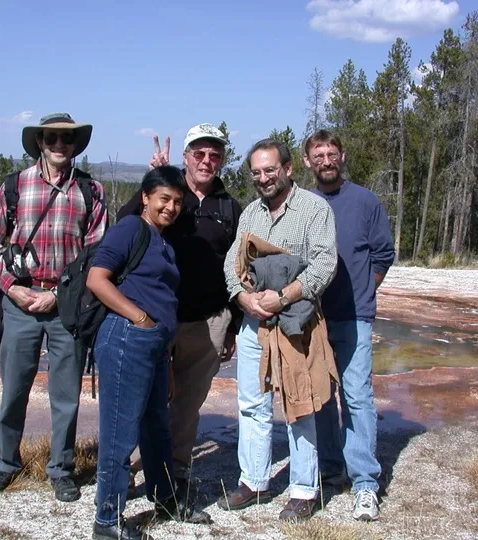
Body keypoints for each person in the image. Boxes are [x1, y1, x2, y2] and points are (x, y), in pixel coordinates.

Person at [0, 113, 107, 501]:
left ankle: (61, 468)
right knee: (14, 389)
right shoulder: (15, 186)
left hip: (66, 307)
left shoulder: (91, 191)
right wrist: (12, 290)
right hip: (20, 301)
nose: (59, 145)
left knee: (66, 393)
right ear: (40, 142)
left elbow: (96, 257)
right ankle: (6, 463)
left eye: (66, 140)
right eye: (51, 138)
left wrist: (59, 296)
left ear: (74, 145)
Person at [219, 139, 339, 522]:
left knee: (298, 404)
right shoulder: (251, 214)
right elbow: (231, 262)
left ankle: (304, 490)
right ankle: (254, 482)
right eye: (256, 172)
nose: (263, 178)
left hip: (295, 323)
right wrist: (242, 298)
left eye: (270, 170)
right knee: (252, 405)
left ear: (288, 168)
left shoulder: (313, 209)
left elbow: (325, 264)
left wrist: (283, 297)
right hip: (255, 323)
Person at [118, 124, 242, 492]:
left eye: (214, 155)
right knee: (143, 395)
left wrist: (232, 326)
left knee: (187, 404)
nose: (207, 161)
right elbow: (128, 223)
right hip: (157, 317)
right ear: (186, 157)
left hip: (210, 320)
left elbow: (239, 269)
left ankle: (175, 471)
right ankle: (124, 465)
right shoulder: (170, 194)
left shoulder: (230, 206)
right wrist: (152, 176)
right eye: (199, 153)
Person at [87, 166, 208, 540]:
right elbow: (96, 278)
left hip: (153, 347)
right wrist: (140, 318)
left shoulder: (163, 240)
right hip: (127, 338)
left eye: (176, 201)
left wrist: (165, 355)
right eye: (164, 199)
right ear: (145, 197)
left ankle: (166, 500)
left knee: (157, 429)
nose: (171, 207)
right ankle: (107, 521)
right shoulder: (130, 229)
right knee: (120, 434)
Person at [304, 129, 395, 521]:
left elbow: (383, 254)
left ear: (342, 156)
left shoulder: (365, 201)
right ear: (307, 161)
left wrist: (364, 292)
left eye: (332, 153)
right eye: (318, 155)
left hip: (354, 314)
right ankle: (329, 468)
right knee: (321, 396)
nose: (326, 160)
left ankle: (364, 484)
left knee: (356, 395)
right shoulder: (302, 204)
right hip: (311, 317)